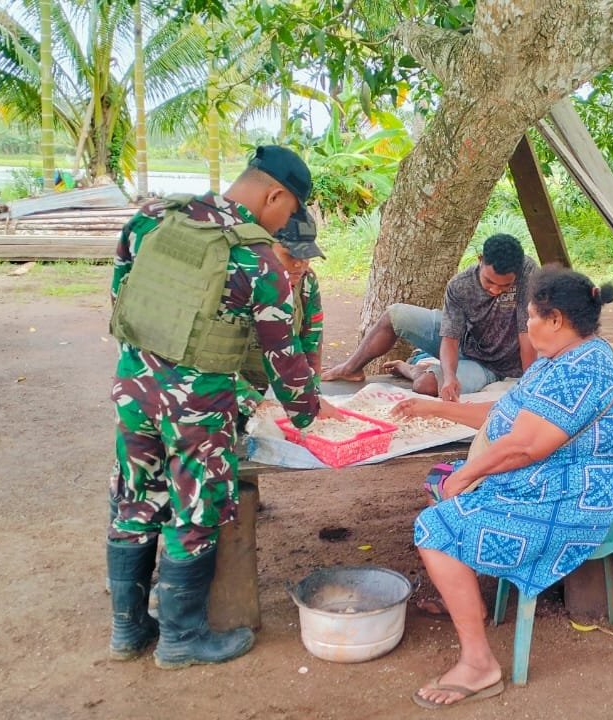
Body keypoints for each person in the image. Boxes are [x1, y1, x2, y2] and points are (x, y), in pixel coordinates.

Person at [105, 145, 325, 670]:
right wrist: (308, 413)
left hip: (134, 389)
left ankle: (128, 630)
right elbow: (282, 357)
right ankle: (182, 639)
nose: (285, 223)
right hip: (199, 408)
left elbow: (122, 299)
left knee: (136, 499)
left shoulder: (153, 218)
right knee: (196, 512)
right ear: (275, 195)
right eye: (290, 210)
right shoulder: (256, 258)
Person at [392, 267, 613, 708]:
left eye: (531, 317)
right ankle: (468, 600)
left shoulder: (582, 369)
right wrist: (431, 408)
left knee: (434, 527)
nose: (526, 325)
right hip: (542, 484)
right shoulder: (559, 357)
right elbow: (502, 413)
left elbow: (526, 446)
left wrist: (466, 476)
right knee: (437, 481)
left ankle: (480, 663)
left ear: (556, 319)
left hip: (570, 502)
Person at [322, 233, 538, 401]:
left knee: (425, 385)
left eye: (505, 285)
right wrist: (451, 376)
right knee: (395, 314)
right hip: (462, 341)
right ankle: (350, 369)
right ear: (480, 261)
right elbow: (450, 339)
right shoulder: (459, 285)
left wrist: (528, 383)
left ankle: (413, 369)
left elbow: (526, 332)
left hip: (492, 366)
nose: (495, 290)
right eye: (489, 282)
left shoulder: (527, 272)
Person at [235, 210, 341, 422]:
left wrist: (311, 397)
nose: (299, 264)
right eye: (290, 254)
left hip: (275, 393)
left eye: (306, 255)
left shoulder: (306, 282)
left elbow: (311, 344)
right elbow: (209, 365)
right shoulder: (235, 282)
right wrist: (257, 403)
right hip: (224, 394)